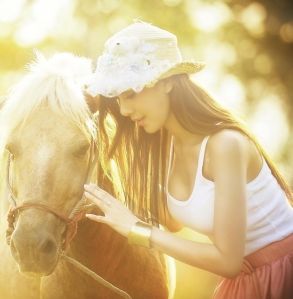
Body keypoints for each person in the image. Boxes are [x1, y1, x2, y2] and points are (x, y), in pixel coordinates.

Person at [82, 20, 293, 299]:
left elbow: (228, 261)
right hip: (247, 282)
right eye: (117, 100)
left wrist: (137, 230)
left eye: (130, 94)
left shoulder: (225, 146)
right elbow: (175, 222)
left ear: (168, 82)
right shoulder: (166, 148)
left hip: (281, 272)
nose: (124, 110)